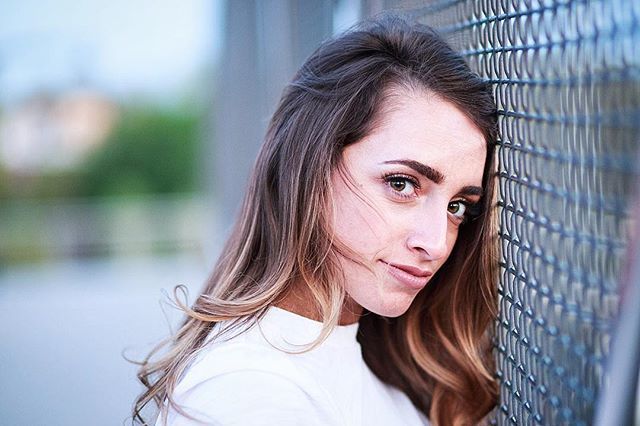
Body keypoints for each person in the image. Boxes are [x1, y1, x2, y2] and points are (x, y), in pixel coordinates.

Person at [133, 14, 498, 426]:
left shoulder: (371, 359)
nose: (435, 243)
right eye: (401, 183)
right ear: (308, 166)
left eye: (457, 207)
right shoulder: (246, 392)